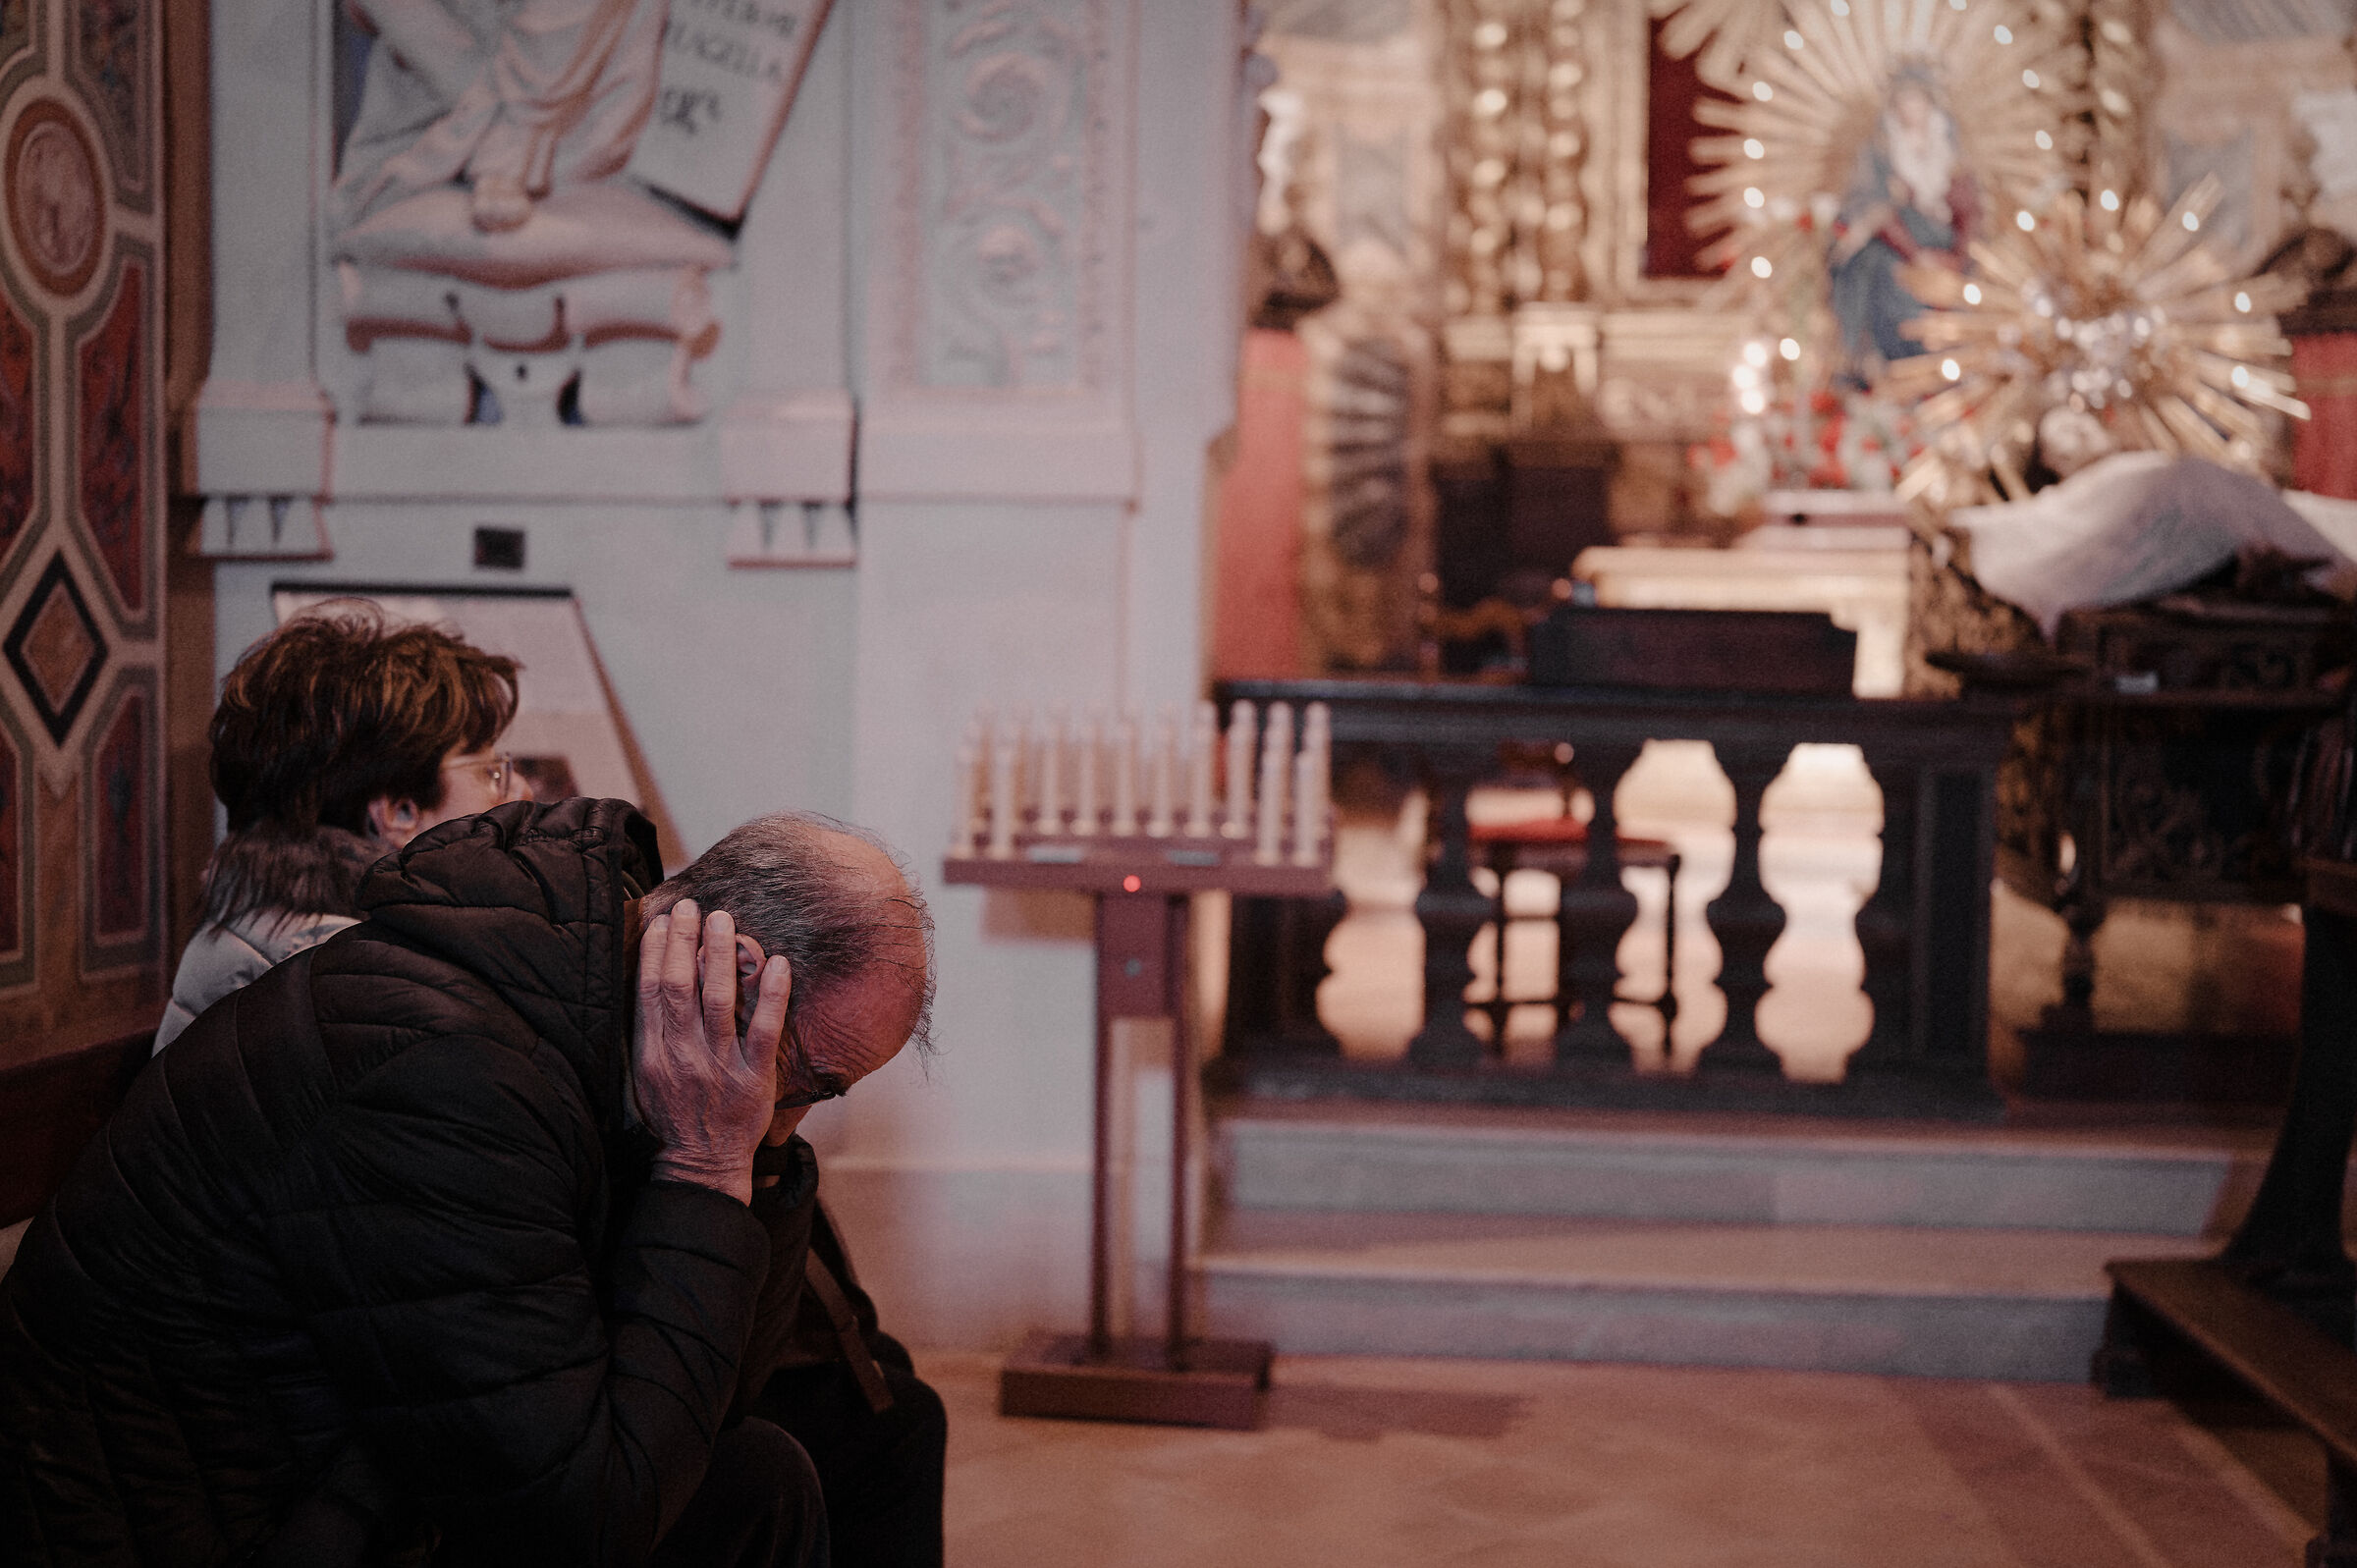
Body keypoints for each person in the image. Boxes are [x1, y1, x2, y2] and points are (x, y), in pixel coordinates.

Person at [0, 799, 935, 1566]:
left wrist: (752, 1163)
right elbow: (584, 1523)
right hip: (209, 1524)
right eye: (811, 1080)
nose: (788, 1115)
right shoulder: (451, 1076)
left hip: (353, 1477)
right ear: (732, 975)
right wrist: (704, 1167)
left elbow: (710, 1410)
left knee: (765, 1475)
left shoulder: (582, 1011)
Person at [153, 604, 525, 1054]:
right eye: (491, 773)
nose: (520, 791)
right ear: (398, 814)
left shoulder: (299, 938)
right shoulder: (349, 983)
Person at [1828, 66, 1979, 383]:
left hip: (1947, 247)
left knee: (1971, 285)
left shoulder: (1950, 148)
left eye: (1918, 100)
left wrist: (1959, 255)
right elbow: (1873, 207)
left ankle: (1956, 364)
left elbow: (1970, 209)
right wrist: (1915, 253)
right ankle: (1889, 364)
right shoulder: (1881, 150)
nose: (1911, 108)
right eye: (1904, 101)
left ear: (1930, 103)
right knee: (1877, 271)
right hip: (1899, 248)